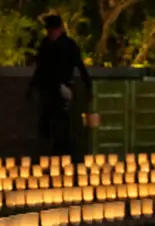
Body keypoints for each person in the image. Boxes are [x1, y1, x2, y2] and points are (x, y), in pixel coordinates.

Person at [28, 15, 92, 156]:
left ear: (60, 30)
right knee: (46, 123)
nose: (51, 33)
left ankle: (63, 153)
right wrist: (33, 88)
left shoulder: (69, 45)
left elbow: (80, 66)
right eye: (49, 30)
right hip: (47, 89)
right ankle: (47, 153)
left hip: (63, 89)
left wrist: (87, 86)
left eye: (54, 30)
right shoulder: (45, 45)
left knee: (62, 124)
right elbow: (40, 68)